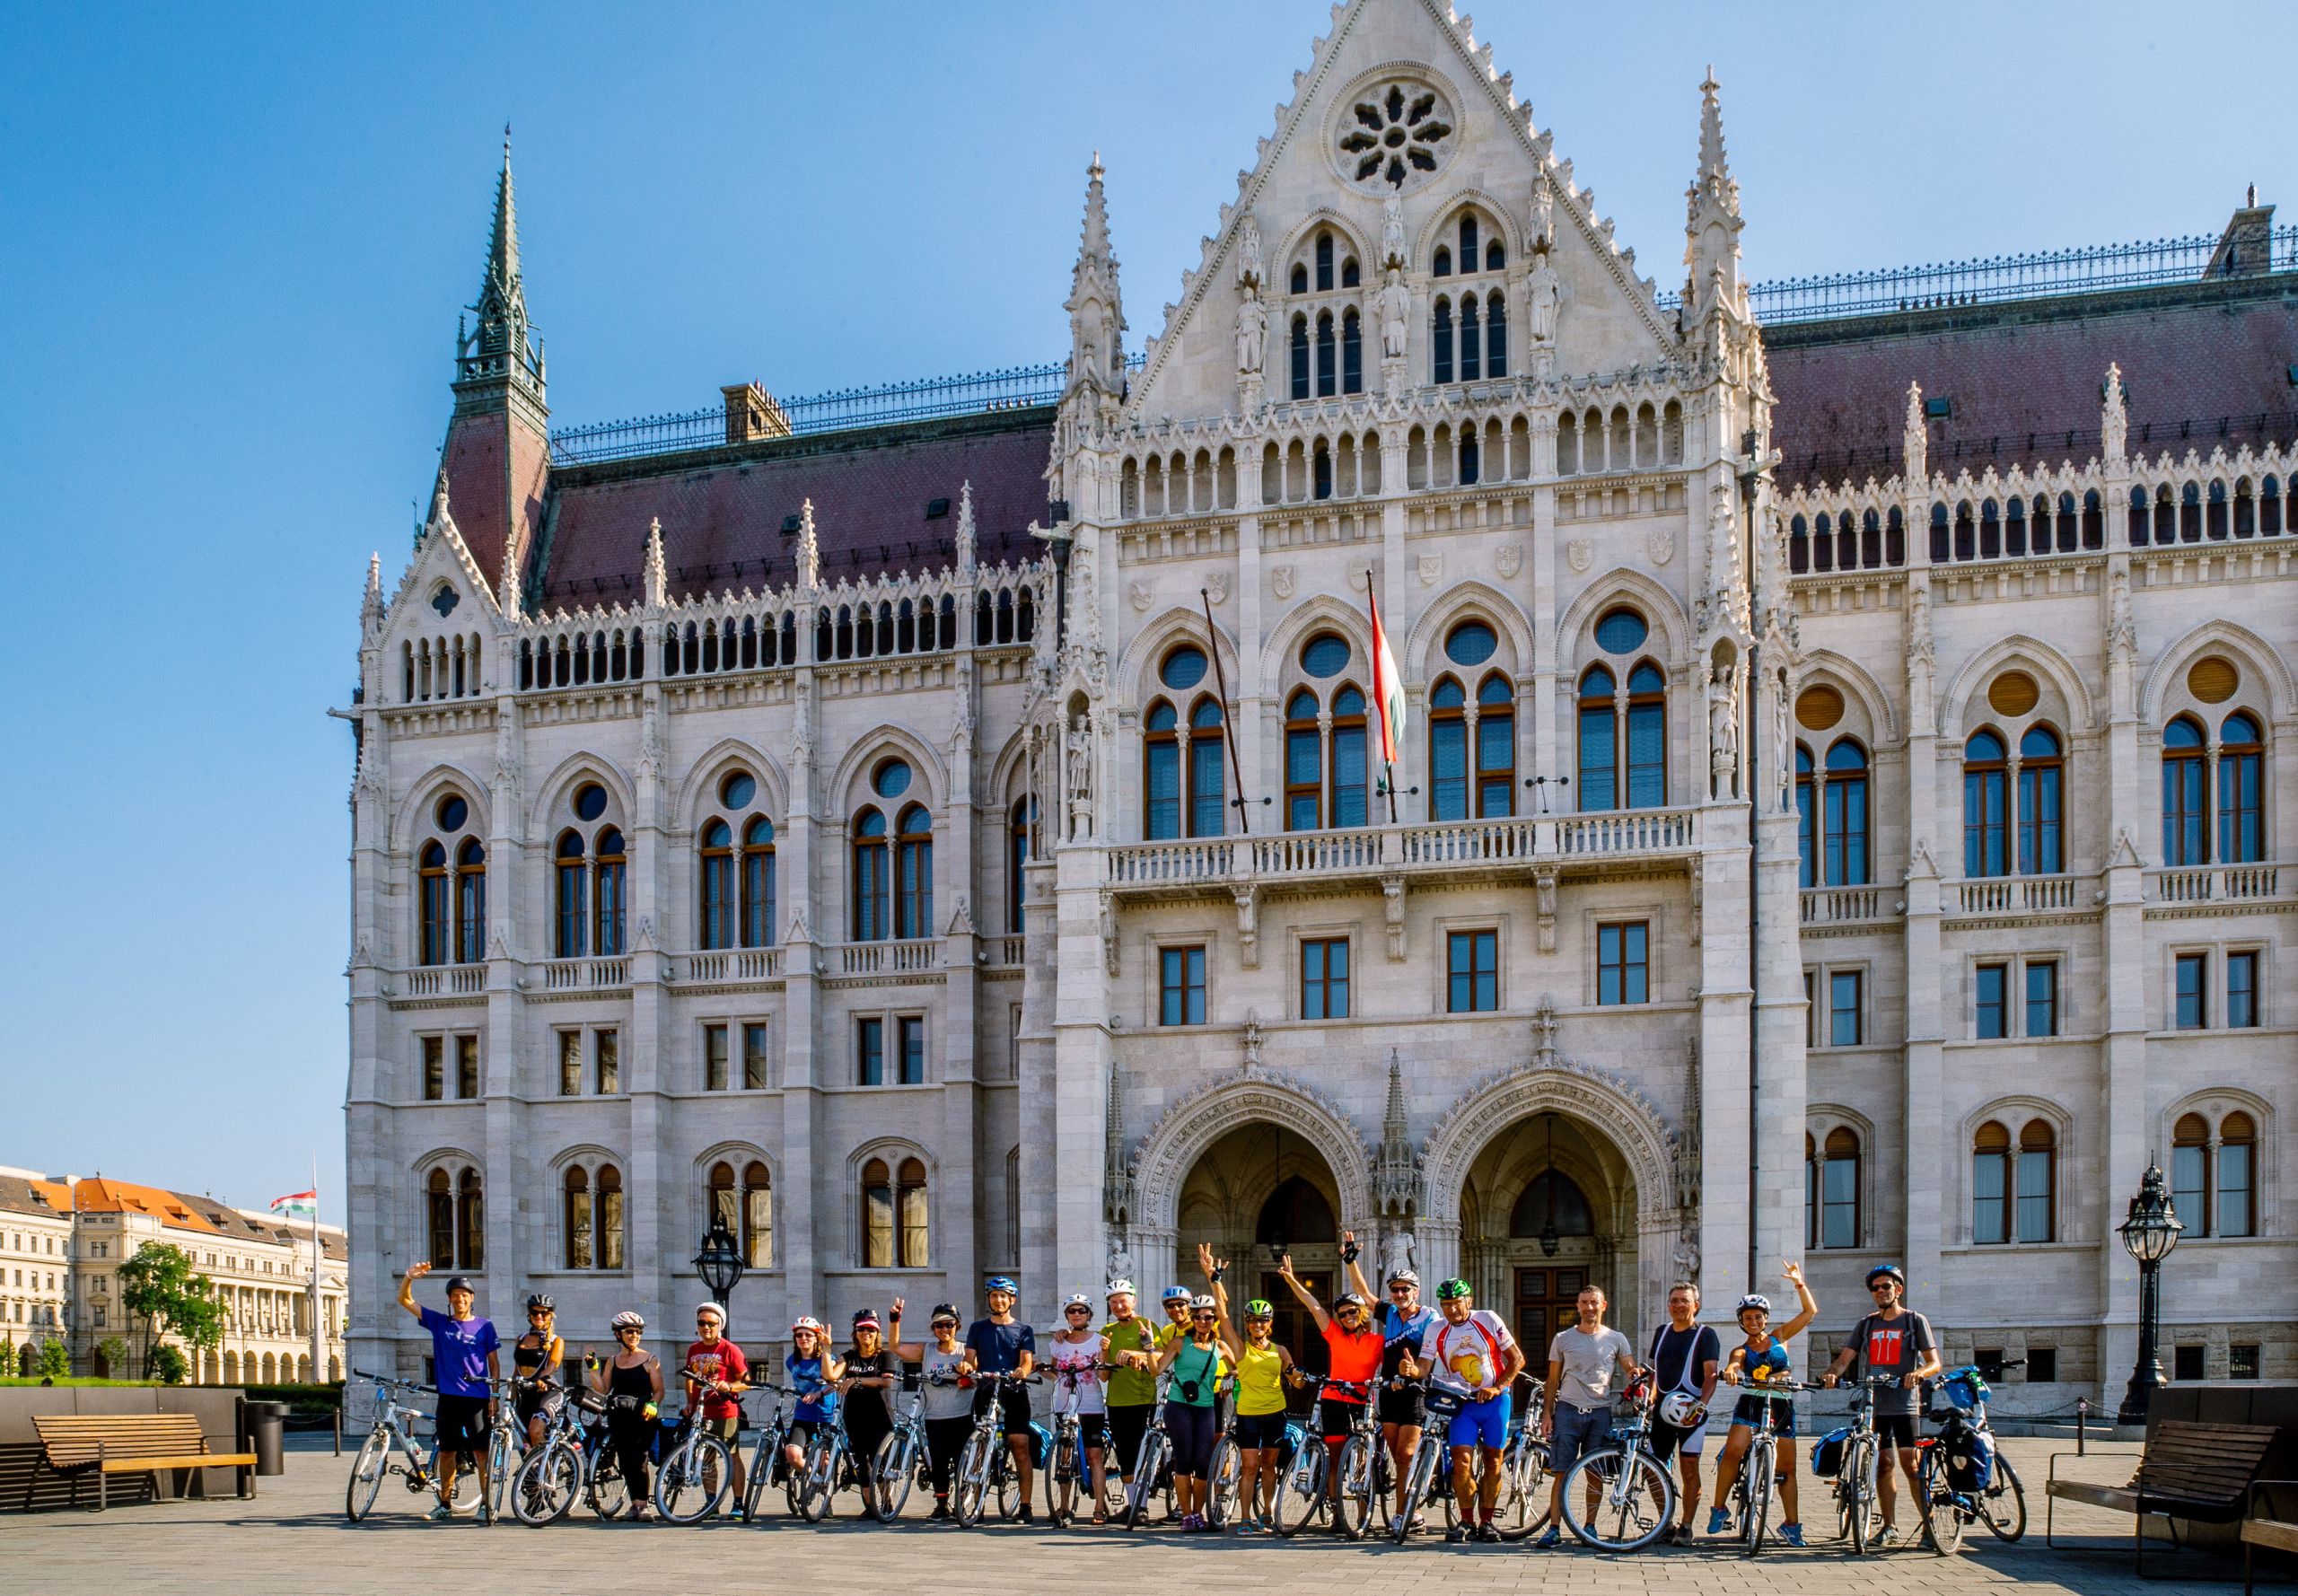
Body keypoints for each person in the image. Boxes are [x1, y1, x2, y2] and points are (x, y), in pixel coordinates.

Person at [1822, 1261, 1942, 1546]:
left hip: (1904, 1405)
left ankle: (1929, 1525)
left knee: (1911, 1465)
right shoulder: (1866, 1325)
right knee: (1884, 1465)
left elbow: (1934, 1363)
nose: (1880, 1291)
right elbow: (1844, 1358)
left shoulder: (1914, 1321)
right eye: (1875, 1288)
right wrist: (1831, 1374)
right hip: (1874, 1405)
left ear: (1898, 1289)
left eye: (1886, 1286)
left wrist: (1918, 1374)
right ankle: (1890, 1526)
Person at [1403, 1278, 1525, 1542]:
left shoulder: (1488, 1319)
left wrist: (1497, 1386)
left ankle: (1488, 1522)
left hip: (1494, 1401)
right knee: (1461, 1462)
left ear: (1469, 1301)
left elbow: (1517, 1359)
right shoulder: (1436, 1329)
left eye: (1457, 1303)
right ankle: (1467, 1521)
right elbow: (1423, 1367)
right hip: (1462, 1403)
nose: (1452, 1310)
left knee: (1494, 1460)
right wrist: (1411, 1370)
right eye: (1446, 1305)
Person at [1706, 1260, 1819, 1547]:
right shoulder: (1740, 1349)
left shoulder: (1780, 1337)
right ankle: (1719, 1508)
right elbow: (1734, 1363)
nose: (1753, 1322)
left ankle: (1791, 1525)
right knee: (1733, 1450)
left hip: (1781, 1404)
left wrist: (1799, 1283)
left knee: (1788, 1468)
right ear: (1741, 1322)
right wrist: (1731, 1372)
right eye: (1748, 1318)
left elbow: (1810, 1313)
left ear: (1765, 1319)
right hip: (1752, 1402)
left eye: (1758, 1317)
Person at [1275, 1250, 1384, 1534]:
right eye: (1342, 1313)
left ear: (1362, 1314)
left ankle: (1362, 1515)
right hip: (1335, 1399)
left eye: (1351, 1312)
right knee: (1335, 1459)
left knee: (1361, 1459)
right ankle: (1337, 1514)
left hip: (1362, 1402)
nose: (1346, 1316)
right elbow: (1313, 1306)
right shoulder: (1335, 1334)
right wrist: (1291, 1280)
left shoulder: (1378, 1341)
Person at [395, 1262, 500, 1521]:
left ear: (471, 1298)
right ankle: (445, 1504)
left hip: (477, 1398)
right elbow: (404, 1300)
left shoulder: (485, 1327)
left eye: (464, 1295)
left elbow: (494, 1363)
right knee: (447, 1452)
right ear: (450, 1300)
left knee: (481, 1452)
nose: (460, 1299)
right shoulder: (440, 1323)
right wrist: (409, 1277)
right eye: (455, 1295)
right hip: (449, 1398)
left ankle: (486, 1504)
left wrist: (494, 1396)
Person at [1539, 1284, 1641, 1548]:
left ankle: (1590, 1527)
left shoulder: (1616, 1338)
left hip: (1600, 1412)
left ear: (1603, 1305)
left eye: (1594, 1302)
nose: (1589, 1307)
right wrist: (1547, 1413)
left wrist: (1634, 1374)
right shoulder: (1563, 1338)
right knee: (1560, 1471)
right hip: (1568, 1410)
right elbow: (1552, 1380)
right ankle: (1554, 1529)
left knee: (1594, 1473)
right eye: (1584, 1302)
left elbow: (1629, 1366)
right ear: (1578, 1306)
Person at [1207, 1267, 1295, 1534]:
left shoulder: (1280, 1351)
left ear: (1271, 1323)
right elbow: (1221, 1315)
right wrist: (1214, 1279)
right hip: (1248, 1413)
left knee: (1269, 1466)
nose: (1258, 1324)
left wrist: (1299, 1377)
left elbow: (1295, 1380)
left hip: (1276, 1413)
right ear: (1247, 1323)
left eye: (1263, 1320)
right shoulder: (1240, 1348)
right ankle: (1245, 1518)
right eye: (1254, 1320)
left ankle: (1267, 1514)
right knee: (1249, 1466)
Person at [1644, 1280, 1722, 1544]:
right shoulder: (1662, 1332)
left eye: (1684, 1301)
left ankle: (1686, 1525)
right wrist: (1649, 1397)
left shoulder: (1705, 1335)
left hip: (1691, 1414)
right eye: (1674, 1300)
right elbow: (1655, 1373)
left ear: (1695, 1305)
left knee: (1689, 1470)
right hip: (1663, 1412)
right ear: (1668, 1305)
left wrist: (1701, 1405)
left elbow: (1711, 1375)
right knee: (1651, 1468)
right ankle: (1665, 1521)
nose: (1679, 1305)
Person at [959, 1276, 1038, 1521]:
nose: (999, 1300)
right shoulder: (977, 1328)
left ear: (1011, 1300)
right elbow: (970, 1358)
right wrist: (965, 1366)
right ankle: (976, 1502)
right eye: (994, 1296)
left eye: (1003, 1296)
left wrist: (1022, 1372)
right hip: (986, 1387)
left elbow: (1026, 1360)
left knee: (1020, 1446)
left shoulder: (1023, 1330)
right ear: (990, 1300)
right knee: (979, 1444)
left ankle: (1025, 1506)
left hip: (1013, 1390)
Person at [1369, 1254, 1435, 1532]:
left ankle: (1403, 1514)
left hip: (1414, 1392)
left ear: (1416, 1291)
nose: (1399, 1294)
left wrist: (1414, 1371)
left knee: (1406, 1455)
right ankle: (1412, 1506)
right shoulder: (1391, 1314)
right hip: (1388, 1390)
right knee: (1397, 1456)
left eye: (1405, 1289)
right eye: (1395, 1289)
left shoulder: (1430, 1316)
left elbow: (1433, 1353)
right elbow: (1365, 1295)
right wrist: (1350, 1261)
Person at [890, 1300, 971, 1521]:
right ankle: (942, 1504)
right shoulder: (926, 1350)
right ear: (933, 1329)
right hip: (935, 1416)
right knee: (939, 1461)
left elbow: (974, 1373)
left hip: (962, 1414)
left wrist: (966, 1369)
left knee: (962, 1460)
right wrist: (895, 1319)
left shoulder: (966, 1351)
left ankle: (964, 1503)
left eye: (949, 1325)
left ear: (958, 1326)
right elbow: (895, 1347)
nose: (944, 1330)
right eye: (939, 1325)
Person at [1155, 1292, 1228, 1530]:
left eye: (1208, 1317)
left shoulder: (1221, 1347)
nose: (1203, 1321)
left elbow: (1242, 1368)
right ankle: (1187, 1515)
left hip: (1206, 1407)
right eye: (1198, 1317)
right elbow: (1157, 1370)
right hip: (1179, 1406)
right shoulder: (1180, 1342)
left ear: (1215, 1319)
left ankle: (1198, 1513)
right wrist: (1147, 1347)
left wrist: (1231, 1378)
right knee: (1184, 1461)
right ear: (1193, 1319)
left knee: (1204, 1463)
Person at [589, 1309, 663, 1521]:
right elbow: (603, 1389)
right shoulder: (613, 1361)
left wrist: (653, 1403)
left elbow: (659, 1390)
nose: (634, 1336)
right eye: (629, 1331)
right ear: (618, 1334)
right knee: (625, 1460)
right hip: (618, 1416)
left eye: (638, 1331)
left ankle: (643, 1506)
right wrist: (593, 1369)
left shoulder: (650, 1359)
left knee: (640, 1459)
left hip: (642, 1416)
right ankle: (634, 1505)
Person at [1044, 1292, 1110, 1525]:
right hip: (1064, 1404)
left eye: (1082, 1310)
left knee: (1094, 1456)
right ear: (1066, 1315)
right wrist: (1038, 1369)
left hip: (1091, 1405)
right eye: (1072, 1310)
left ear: (1089, 1315)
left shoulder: (1098, 1340)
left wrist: (1104, 1352)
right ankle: (1063, 1506)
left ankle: (1099, 1507)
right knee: (1064, 1456)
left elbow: (1103, 1377)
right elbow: (1053, 1373)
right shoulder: (1058, 1342)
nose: (1077, 1314)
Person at [680, 1302, 750, 1516]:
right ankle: (712, 1504)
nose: (706, 1327)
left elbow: (746, 1381)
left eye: (711, 1323)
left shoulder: (730, 1349)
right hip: (702, 1411)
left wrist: (729, 1386)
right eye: (702, 1323)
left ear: (720, 1325)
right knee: (706, 1456)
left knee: (732, 1455)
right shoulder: (694, 1349)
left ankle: (738, 1503)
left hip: (725, 1410)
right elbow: (689, 1378)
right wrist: (690, 1402)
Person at [1100, 1279, 1161, 1497]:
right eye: (1113, 1302)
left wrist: (1139, 1352)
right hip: (1116, 1401)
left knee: (1141, 1453)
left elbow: (1159, 1360)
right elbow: (1103, 1376)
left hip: (1143, 1399)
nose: (1118, 1306)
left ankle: (1141, 1505)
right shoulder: (1107, 1331)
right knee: (1124, 1455)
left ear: (1133, 1301)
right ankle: (1132, 1503)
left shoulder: (1147, 1325)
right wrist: (1104, 1354)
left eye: (1123, 1301)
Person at [840, 1308, 899, 1501]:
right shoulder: (849, 1356)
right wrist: (825, 1347)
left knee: (878, 1459)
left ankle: (885, 1503)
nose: (866, 1333)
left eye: (871, 1330)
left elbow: (886, 1382)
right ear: (855, 1333)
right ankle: (869, 1504)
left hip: (879, 1416)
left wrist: (857, 1380)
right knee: (861, 1461)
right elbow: (831, 1375)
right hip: (854, 1415)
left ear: (877, 1333)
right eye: (862, 1329)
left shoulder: (885, 1355)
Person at [783, 1316, 845, 1480]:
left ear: (817, 1338)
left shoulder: (825, 1359)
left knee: (826, 1458)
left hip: (826, 1415)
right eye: (799, 1335)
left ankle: (825, 1493)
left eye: (808, 1335)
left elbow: (836, 1383)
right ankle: (812, 1478)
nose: (804, 1338)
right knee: (792, 1453)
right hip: (803, 1415)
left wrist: (819, 1393)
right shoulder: (792, 1361)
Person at [512, 1293, 566, 1451]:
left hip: (547, 1392)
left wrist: (542, 1378)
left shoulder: (556, 1340)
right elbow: (517, 1371)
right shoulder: (520, 1338)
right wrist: (509, 1398)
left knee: (535, 1431)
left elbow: (553, 1365)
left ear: (551, 1316)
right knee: (525, 1440)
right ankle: (537, 1473)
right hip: (525, 1393)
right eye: (535, 1312)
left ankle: (547, 1474)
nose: (539, 1316)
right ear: (529, 1314)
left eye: (544, 1313)